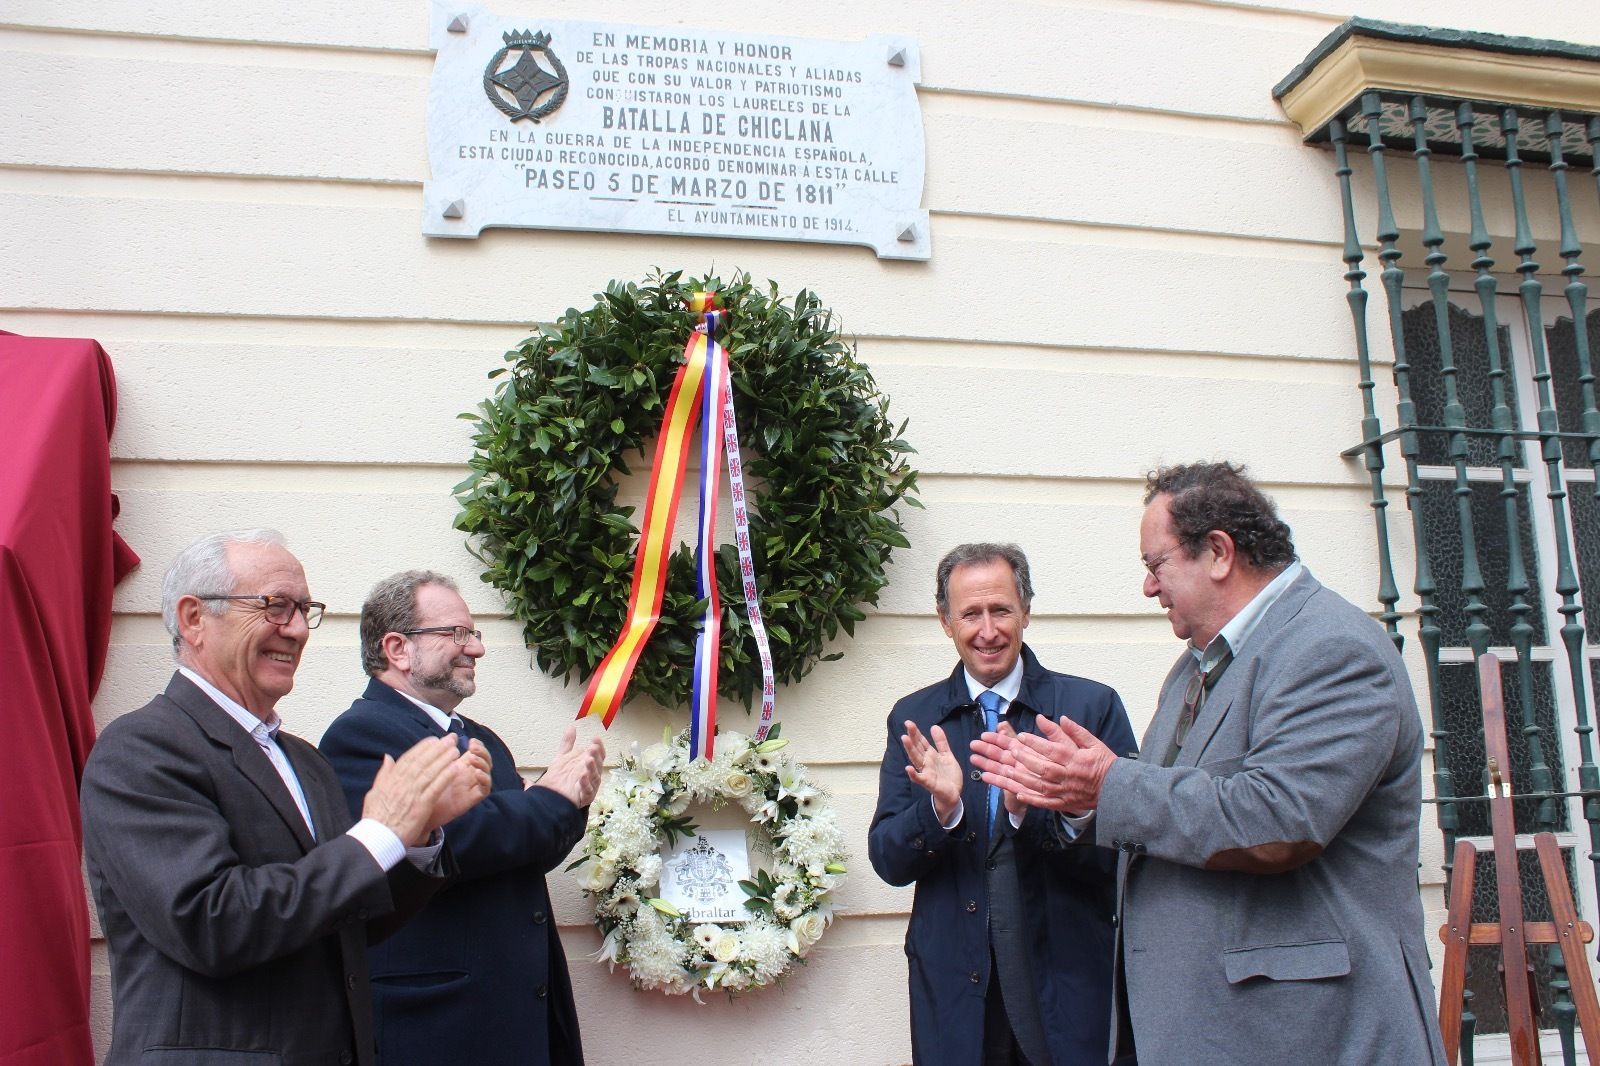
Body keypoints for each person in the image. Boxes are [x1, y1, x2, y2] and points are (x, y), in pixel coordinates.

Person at [973, 462, 1447, 1066]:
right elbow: (1173, 810)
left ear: (1218, 552)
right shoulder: (1196, 664)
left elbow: (1279, 820)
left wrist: (1106, 783)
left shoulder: (1333, 648)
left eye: (1156, 565)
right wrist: (1081, 798)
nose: (1149, 587)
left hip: (1308, 1034)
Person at [81, 529, 491, 1066]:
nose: (297, 629)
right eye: (275, 606)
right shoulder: (140, 749)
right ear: (194, 619)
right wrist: (379, 834)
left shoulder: (304, 759)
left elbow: (344, 923)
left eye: (304, 609)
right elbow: (212, 923)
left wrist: (415, 838)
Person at [320, 570, 604, 1066]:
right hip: (437, 1023)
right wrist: (548, 799)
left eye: (473, 633)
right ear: (397, 648)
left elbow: (522, 848)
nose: (475, 649)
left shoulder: (481, 736)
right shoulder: (360, 736)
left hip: (520, 1015)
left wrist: (571, 799)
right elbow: (457, 839)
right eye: (456, 634)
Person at [869, 543, 1138, 1066]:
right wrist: (941, 811)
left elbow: (1127, 855)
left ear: (1027, 612)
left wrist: (1034, 810)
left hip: (1067, 983)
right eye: (970, 613)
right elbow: (888, 860)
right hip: (955, 992)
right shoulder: (916, 716)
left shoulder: (1090, 707)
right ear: (946, 621)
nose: (987, 631)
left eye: (1001, 610)